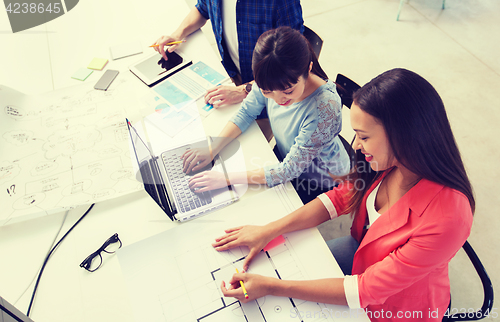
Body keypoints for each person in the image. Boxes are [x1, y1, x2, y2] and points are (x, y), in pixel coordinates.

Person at [211, 68, 474, 321]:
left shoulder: (450, 216)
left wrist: (273, 287)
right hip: (362, 255)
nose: (356, 146)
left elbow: (366, 291)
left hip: (396, 309)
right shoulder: (388, 162)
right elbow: (340, 198)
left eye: (364, 137)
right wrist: (270, 229)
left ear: (404, 136)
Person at [182, 26, 350, 204]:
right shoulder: (272, 77)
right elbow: (247, 112)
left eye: (288, 91)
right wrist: (212, 148)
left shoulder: (325, 109)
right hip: (289, 154)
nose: (278, 100)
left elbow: (288, 171)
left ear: (308, 69)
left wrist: (226, 178)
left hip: (319, 180)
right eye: (267, 91)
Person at [152, 0, 304, 141]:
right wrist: (178, 34)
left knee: (234, 153)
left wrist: (243, 91)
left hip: (271, 97)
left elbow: (293, 59)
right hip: (231, 76)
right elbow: (202, 8)